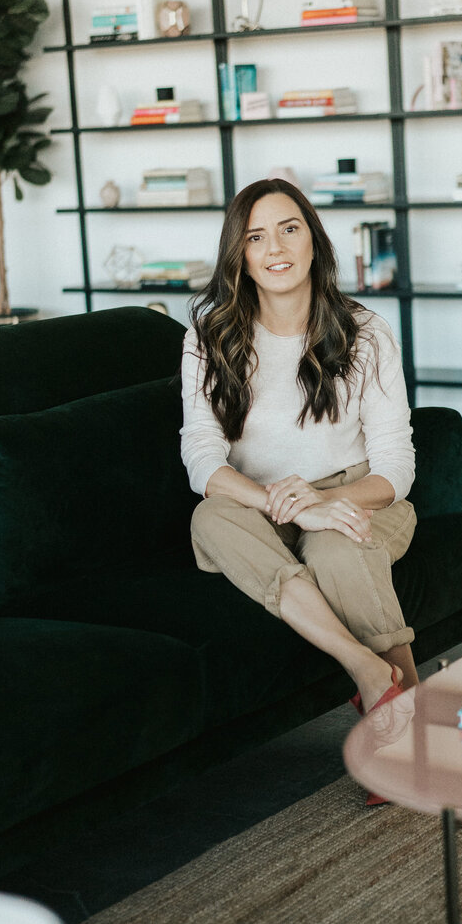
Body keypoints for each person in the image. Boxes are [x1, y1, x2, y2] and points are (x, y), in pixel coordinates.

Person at [180, 177, 419, 722]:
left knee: (338, 549)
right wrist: (293, 506)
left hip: (358, 496)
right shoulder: (209, 336)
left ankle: (403, 720)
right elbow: (202, 456)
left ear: (314, 238)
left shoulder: (366, 332)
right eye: (257, 237)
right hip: (259, 504)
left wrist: (324, 503)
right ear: (239, 254)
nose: (276, 249)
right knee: (209, 519)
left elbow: (395, 467)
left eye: (289, 229)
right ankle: (365, 668)